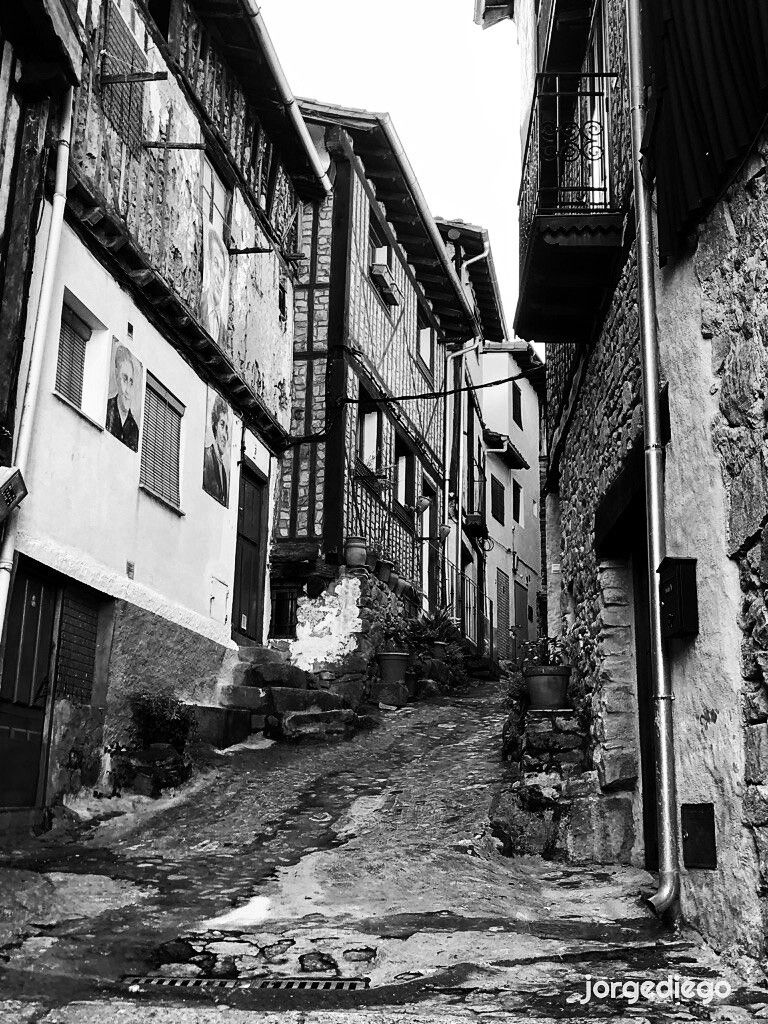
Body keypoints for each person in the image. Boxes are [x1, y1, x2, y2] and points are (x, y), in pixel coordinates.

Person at [105, 344, 139, 451]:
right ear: (116, 375)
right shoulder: (105, 410)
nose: (127, 390)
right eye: (124, 379)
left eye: (131, 382)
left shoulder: (134, 429)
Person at [199, 226, 228, 345]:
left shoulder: (222, 326)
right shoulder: (201, 303)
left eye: (222, 270)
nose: (219, 277)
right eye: (216, 265)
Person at [203, 393, 230, 506]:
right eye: (222, 425)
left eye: (227, 428)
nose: (225, 435)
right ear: (214, 426)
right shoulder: (207, 457)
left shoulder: (222, 468)